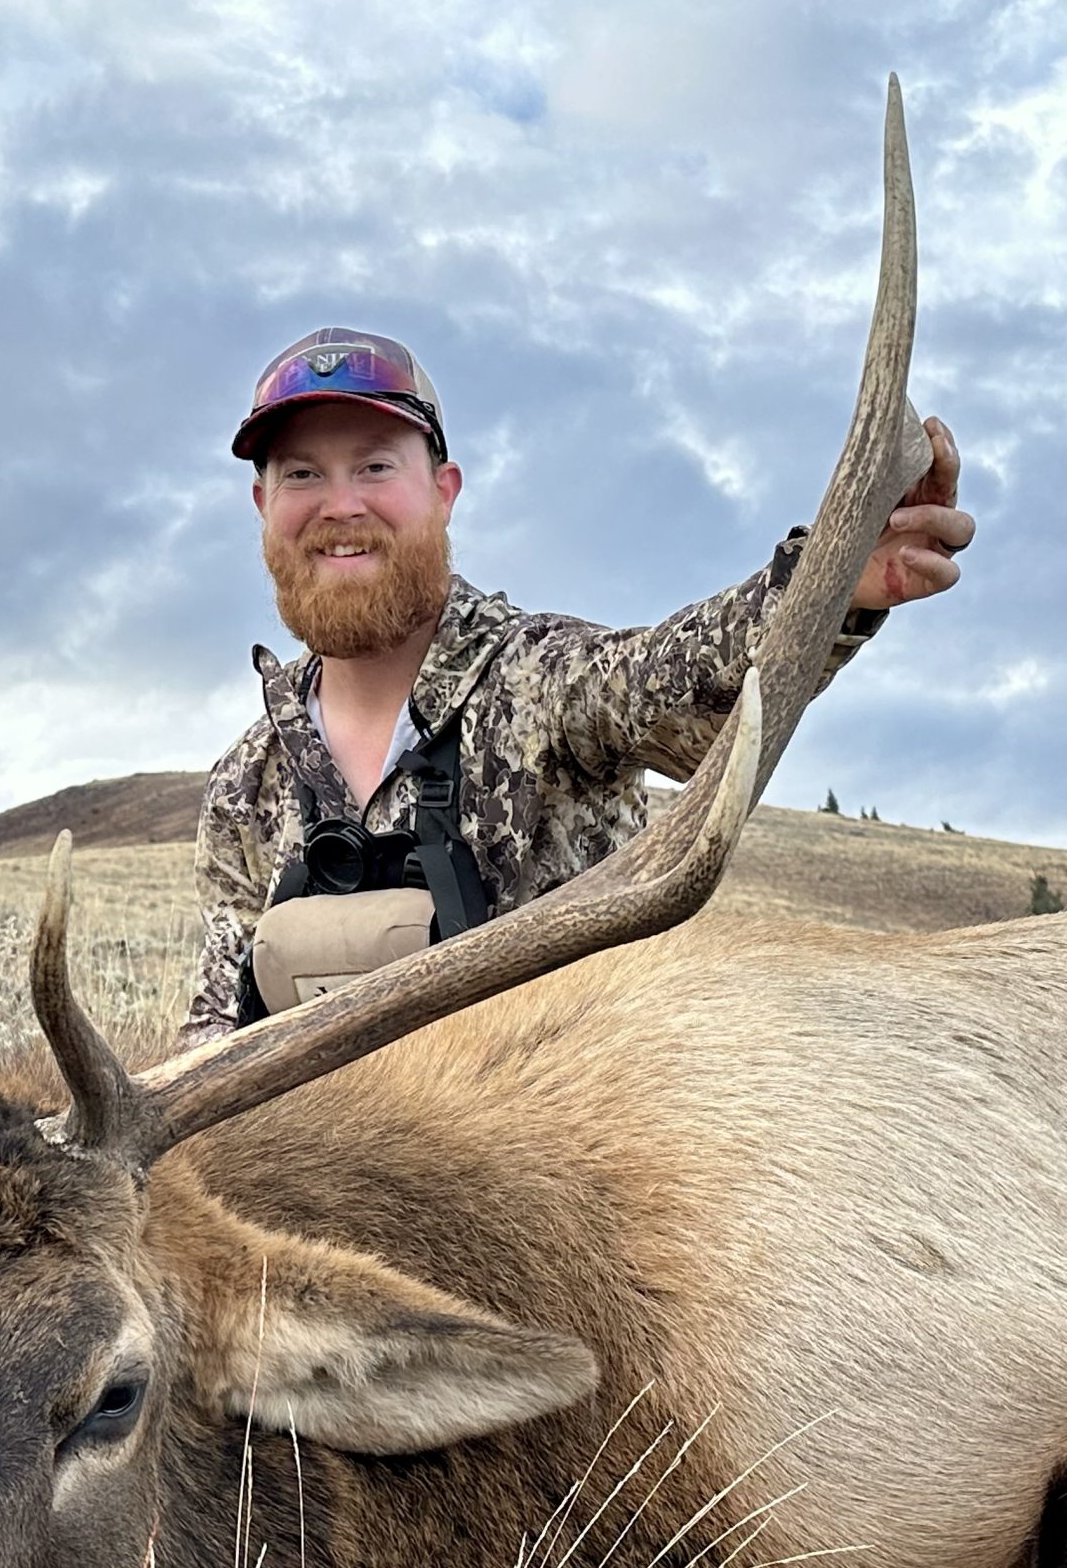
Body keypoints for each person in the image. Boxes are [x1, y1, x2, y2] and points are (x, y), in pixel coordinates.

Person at [179, 326, 972, 1045]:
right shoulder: (247, 786)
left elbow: (687, 680)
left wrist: (831, 579)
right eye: (303, 475)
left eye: (376, 466)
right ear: (263, 505)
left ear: (443, 490)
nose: (340, 505)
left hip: (585, 1184)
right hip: (329, 1190)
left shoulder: (544, 684)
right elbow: (215, 1036)